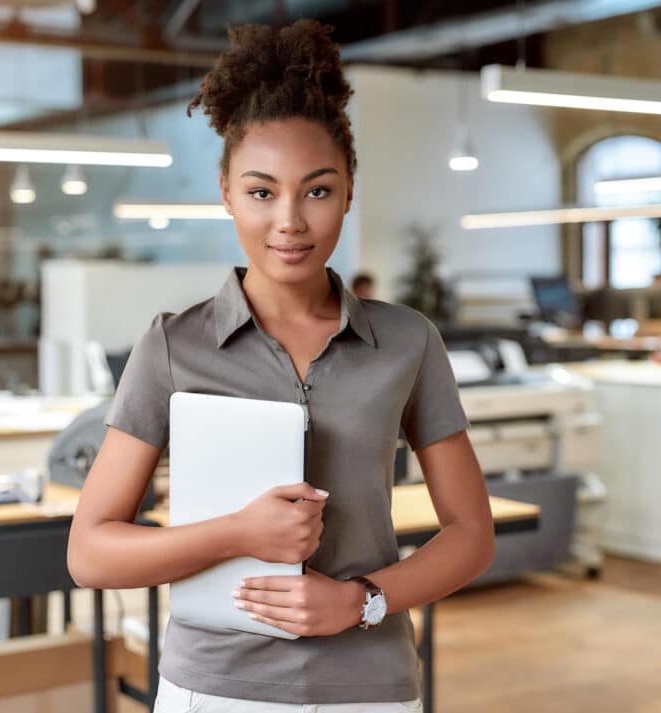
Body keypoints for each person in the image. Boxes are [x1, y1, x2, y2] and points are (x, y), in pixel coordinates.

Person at [67, 19, 494, 712]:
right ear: (227, 193)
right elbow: (90, 553)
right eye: (262, 192)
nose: (290, 221)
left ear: (349, 190)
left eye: (317, 190)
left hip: (370, 688)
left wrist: (358, 602)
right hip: (214, 689)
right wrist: (237, 532)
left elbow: (472, 535)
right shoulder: (173, 346)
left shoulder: (409, 340)